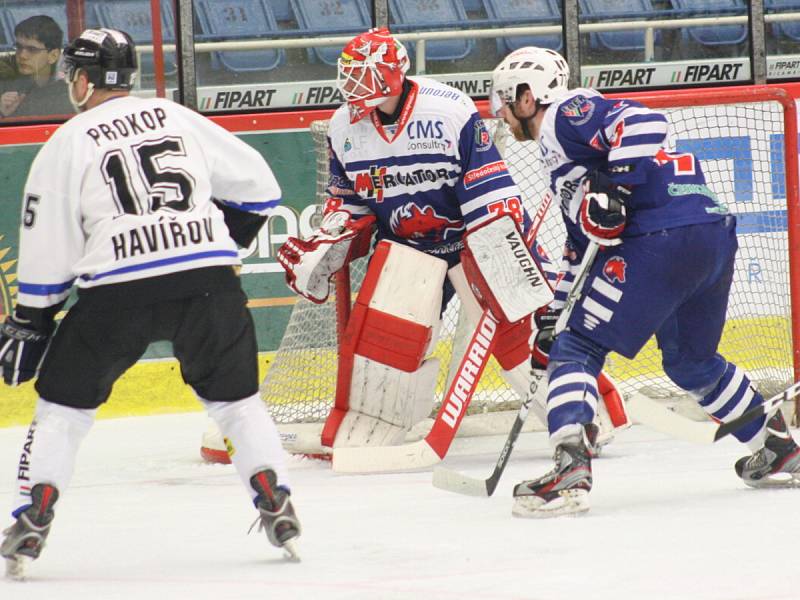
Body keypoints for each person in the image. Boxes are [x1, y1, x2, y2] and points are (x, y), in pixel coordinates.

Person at [0, 28, 300, 578]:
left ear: (83, 80)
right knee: (236, 403)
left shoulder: (67, 141)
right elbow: (259, 186)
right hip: (209, 281)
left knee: (63, 410)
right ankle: (272, 493)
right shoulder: (174, 116)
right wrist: (212, 245)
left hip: (119, 289)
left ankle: (34, 509)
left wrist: (33, 319)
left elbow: (49, 246)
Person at [273, 28, 628, 453]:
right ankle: (374, 429)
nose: (351, 87)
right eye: (347, 75)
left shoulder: (447, 109)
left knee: (524, 339)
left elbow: (490, 197)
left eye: (361, 76)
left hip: (475, 238)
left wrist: (498, 267)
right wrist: (330, 242)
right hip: (408, 251)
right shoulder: (343, 127)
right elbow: (350, 204)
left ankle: (589, 418)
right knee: (381, 346)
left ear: (390, 75)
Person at [489, 46, 800, 518]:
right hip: (709, 235)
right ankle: (778, 448)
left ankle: (569, 467)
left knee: (578, 349)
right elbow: (583, 247)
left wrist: (614, 187)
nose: (504, 118)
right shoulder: (565, 162)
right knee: (691, 362)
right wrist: (554, 314)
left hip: (661, 237)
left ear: (528, 97)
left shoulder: (566, 115)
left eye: (505, 104)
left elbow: (644, 121)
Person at [0, 15, 73, 119]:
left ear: (53, 56)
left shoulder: (68, 94)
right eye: (19, 47)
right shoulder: (4, 83)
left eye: (32, 49)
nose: (22, 55)